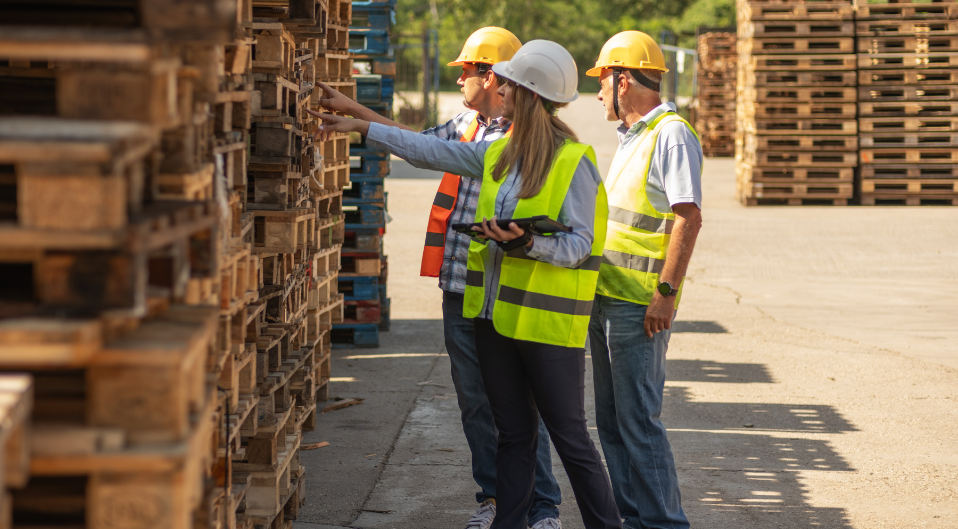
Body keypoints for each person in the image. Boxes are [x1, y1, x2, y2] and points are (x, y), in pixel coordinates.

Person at [310, 40, 622, 529]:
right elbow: (430, 150)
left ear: (528, 94)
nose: (499, 87)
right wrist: (361, 126)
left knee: (570, 438)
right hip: (492, 320)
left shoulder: (573, 161)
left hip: (546, 329)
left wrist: (526, 245)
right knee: (513, 437)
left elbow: (581, 245)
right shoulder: (497, 152)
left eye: (509, 83)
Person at [584, 31, 703, 529]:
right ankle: (634, 519)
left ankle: (663, 524)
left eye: (602, 80)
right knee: (611, 424)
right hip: (607, 302)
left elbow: (687, 218)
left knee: (639, 423)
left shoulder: (671, 134)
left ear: (623, 80)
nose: (596, 93)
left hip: (640, 309)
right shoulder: (633, 137)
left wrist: (666, 295)